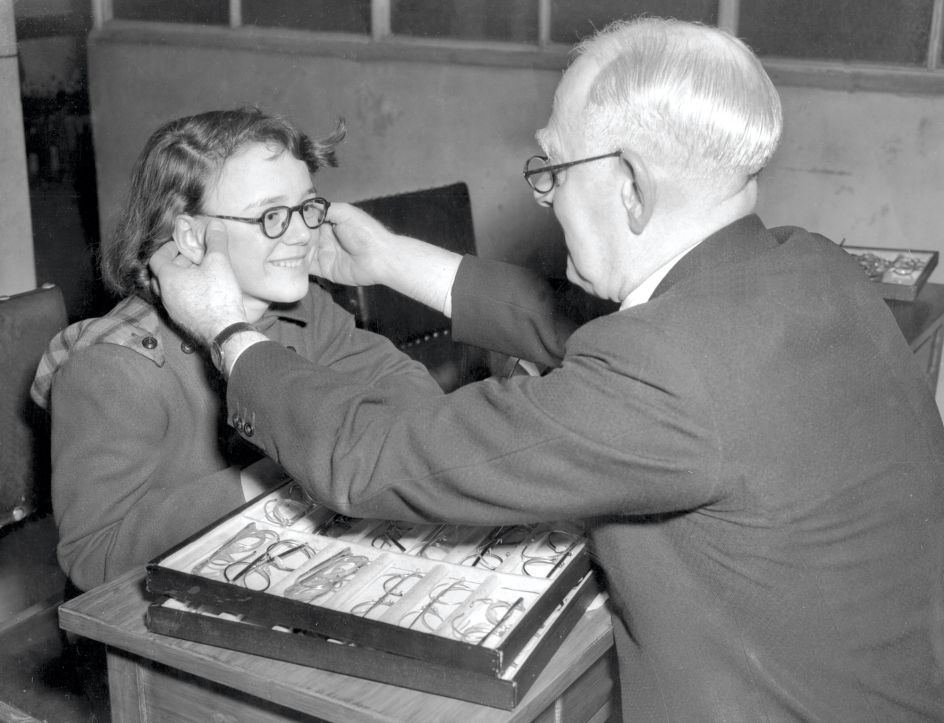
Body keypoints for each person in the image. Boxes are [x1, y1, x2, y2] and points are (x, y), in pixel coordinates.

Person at [150, 18, 944, 722]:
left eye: (553, 169)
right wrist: (394, 261)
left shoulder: (669, 378)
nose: (545, 198)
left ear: (630, 185)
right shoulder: (810, 265)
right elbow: (587, 329)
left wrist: (227, 333)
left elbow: (372, 459)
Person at [30, 108, 443, 593]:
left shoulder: (302, 306)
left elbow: (412, 394)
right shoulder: (114, 367)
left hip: (281, 567)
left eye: (306, 207)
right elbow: (93, 555)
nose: (302, 233)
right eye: (270, 216)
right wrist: (278, 475)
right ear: (190, 235)